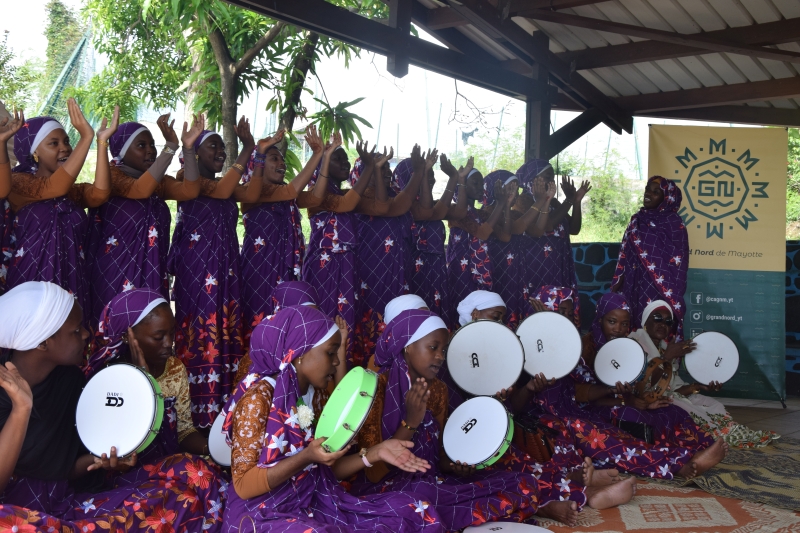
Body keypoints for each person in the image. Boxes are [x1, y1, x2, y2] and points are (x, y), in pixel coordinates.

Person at [0, 281, 225, 532]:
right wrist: (22, 408)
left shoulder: (70, 381)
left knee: (182, 495)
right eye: (76, 331)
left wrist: (100, 461)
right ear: (42, 343)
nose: (86, 334)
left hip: (65, 500)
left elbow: (63, 469)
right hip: (14, 509)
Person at [219, 305, 444, 532]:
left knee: (415, 510)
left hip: (313, 500)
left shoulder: (314, 396)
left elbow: (325, 470)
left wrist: (376, 452)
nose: (337, 362)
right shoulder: (259, 398)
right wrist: (306, 457)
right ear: (299, 353)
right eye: (331, 352)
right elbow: (243, 486)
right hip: (261, 512)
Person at [511, 291, 728, 480]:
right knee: (603, 436)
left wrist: (631, 398)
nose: (618, 329)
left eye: (568, 313)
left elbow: (586, 394)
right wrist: (531, 387)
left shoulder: (573, 349)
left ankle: (695, 450)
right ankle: (677, 465)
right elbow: (519, 406)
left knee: (664, 413)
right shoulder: (527, 351)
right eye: (559, 312)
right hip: (554, 418)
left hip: (581, 410)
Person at [167, 116, 271, 428]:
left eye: (222, 147)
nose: (221, 151)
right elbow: (223, 189)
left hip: (226, 273)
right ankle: (193, 421)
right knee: (200, 335)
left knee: (225, 334)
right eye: (213, 145)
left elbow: (250, 195)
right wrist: (248, 150)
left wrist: (254, 149)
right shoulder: (188, 179)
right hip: (197, 272)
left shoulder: (223, 186)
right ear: (195, 153)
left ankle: (223, 416)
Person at [85, 114, 204, 331]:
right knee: (116, 331)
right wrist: (170, 147)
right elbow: (140, 190)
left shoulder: (156, 182)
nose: (150, 150)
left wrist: (187, 148)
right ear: (121, 150)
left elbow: (190, 190)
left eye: (152, 144)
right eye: (141, 145)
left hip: (151, 271)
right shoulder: (112, 177)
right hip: (115, 273)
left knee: (150, 334)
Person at [0, 102, 113, 321]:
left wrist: (100, 143)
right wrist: (85, 138)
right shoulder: (19, 183)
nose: (65, 148)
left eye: (67, 141)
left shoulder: (70, 192)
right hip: (30, 284)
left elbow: (99, 194)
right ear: (34, 153)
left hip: (71, 282)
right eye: (54, 143)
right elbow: (52, 188)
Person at [85, 287, 214, 460]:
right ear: (127, 337)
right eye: (158, 337)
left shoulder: (174, 369)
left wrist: (212, 449)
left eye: (171, 333)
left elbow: (184, 431)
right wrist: (142, 377)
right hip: (126, 471)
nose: (169, 343)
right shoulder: (110, 378)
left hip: (170, 463)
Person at [630, 300, 780, 448]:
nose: (663, 324)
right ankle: (720, 436)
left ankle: (730, 431)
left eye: (668, 321)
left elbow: (673, 390)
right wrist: (667, 358)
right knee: (690, 409)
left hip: (669, 397)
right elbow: (642, 386)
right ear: (645, 321)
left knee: (712, 404)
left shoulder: (665, 348)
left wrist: (697, 386)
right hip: (646, 402)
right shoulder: (633, 343)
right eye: (657, 318)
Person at [302, 139, 393, 368]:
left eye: (345, 158)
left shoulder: (342, 191)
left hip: (348, 265)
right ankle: (321, 379)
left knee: (346, 323)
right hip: (326, 266)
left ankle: (341, 377)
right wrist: (370, 167)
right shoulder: (317, 193)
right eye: (337, 158)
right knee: (326, 322)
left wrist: (374, 165)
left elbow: (381, 206)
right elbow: (345, 204)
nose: (344, 162)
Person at [240, 126, 326, 338]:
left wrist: (326, 154)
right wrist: (317, 155)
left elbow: (315, 198)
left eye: (282, 159)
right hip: (260, 270)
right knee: (261, 324)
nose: (281, 163)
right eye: (273, 158)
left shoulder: (287, 195)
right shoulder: (252, 191)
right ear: (256, 163)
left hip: (286, 270)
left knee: (286, 325)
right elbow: (292, 190)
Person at [350, 145, 429, 364]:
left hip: (397, 273)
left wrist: (420, 172)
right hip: (369, 274)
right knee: (370, 322)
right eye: (379, 168)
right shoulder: (358, 199)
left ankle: (395, 370)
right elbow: (383, 207)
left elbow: (425, 208)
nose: (385, 172)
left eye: (386, 168)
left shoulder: (398, 198)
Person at [233, 281, 349, 388]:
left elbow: (340, 399)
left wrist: (340, 346)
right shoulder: (259, 361)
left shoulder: (314, 363)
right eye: (303, 317)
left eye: (314, 316)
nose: (310, 325)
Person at [612, 175, 688, 337]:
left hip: (661, 289)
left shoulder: (674, 224)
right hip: (635, 285)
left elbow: (679, 265)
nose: (649, 194)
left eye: (656, 192)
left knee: (658, 328)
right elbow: (625, 256)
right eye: (648, 189)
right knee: (635, 327)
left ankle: (659, 360)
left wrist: (672, 294)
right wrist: (617, 287)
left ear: (667, 198)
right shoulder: (637, 221)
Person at [516, 160, 589, 324]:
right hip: (535, 267)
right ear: (532, 180)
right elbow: (547, 225)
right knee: (539, 309)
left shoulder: (554, 203)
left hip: (557, 265)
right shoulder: (523, 202)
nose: (552, 182)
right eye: (547, 178)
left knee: (561, 309)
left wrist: (575, 201)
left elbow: (574, 229)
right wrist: (568, 201)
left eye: (552, 178)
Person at [445, 167, 514, 329]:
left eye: (482, 183)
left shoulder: (479, 214)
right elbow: (483, 233)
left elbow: (506, 235)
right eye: (475, 182)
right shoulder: (456, 212)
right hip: (462, 270)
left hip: (481, 272)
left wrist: (505, 205)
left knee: (482, 313)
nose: (480, 187)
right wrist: (500, 204)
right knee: (465, 311)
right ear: (461, 185)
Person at [405, 154, 468, 315]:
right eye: (425, 175)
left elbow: (460, 211)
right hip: (413, 272)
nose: (430, 179)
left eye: (431, 175)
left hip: (435, 272)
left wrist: (457, 179)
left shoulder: (433, 207)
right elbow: (427, 213)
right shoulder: (405, 207)